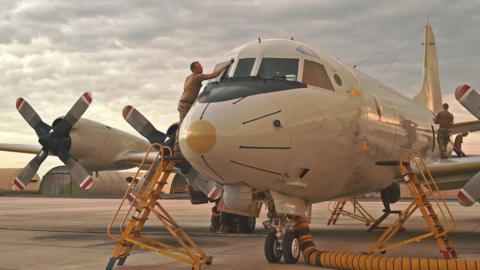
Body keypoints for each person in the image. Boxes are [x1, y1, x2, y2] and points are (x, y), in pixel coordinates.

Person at [175, 59, 234, 154]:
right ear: (195, 69)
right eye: (200, 67)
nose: (202, 67)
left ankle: (178, 148)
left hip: (183, 103)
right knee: (183, 126)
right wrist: (227, 65)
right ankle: (179, 150)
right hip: (186, 105)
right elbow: (213, 75)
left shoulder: (188, 77)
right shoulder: (197, 77)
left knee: (183, 126)